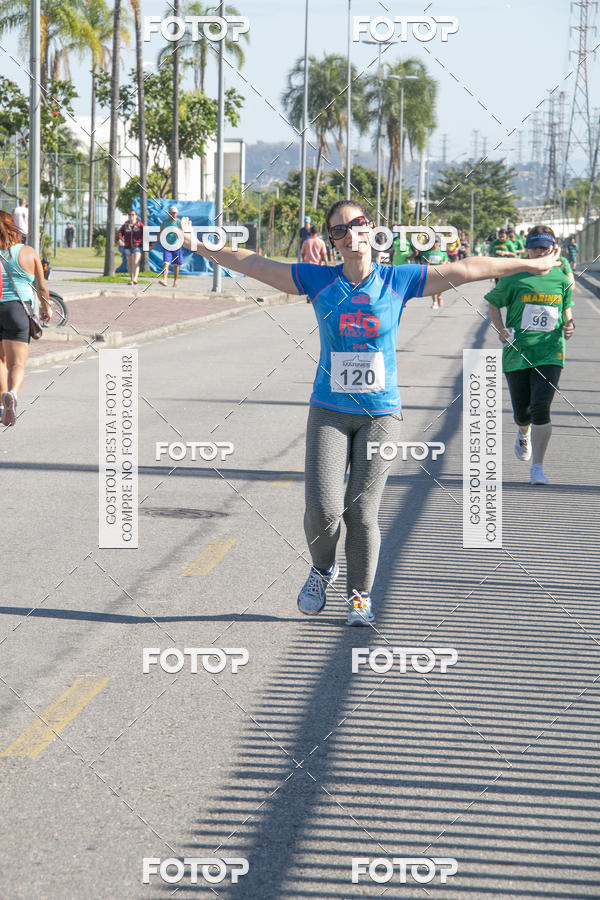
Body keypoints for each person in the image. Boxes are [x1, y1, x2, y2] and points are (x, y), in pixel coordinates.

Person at [180, 201, 561, 626]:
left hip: (381, 415)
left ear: (372, 229)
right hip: (329, 410)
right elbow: (254, 263)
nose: (349, 234)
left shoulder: (397, 280)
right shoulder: (319, 280)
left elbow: (469, 268)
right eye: (338, 230)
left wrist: (530, 264)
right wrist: (199, 246)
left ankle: (359, 596)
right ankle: (322, 568)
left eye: (357, 224)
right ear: (333, 241)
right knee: (323, 511)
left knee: (361, 513)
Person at [486, 225, 574, 486]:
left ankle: (538, 467)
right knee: (522, 413)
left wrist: (570, 324)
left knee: (540, 407)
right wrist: (501, 329)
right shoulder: (514, 277)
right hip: (518, 353)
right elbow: (493, 303)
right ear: (527, 249)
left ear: (553, 248)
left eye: (544, 247)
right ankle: (523, 432)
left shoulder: (561, 277)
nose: (539, 252)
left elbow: (566, 308)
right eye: (535, 248)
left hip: (550, 352)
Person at [0, 211, 51, 426]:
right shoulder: (28, 253)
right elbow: (42, 287)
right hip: (18, 311)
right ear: (13, 228)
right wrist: (45, 308)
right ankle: (12, 394)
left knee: (0, 360)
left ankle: (1, 406)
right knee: (18, 363)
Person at [419, 238, 448, 308]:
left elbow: (446, 259)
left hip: (441, 270)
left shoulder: (442, 251)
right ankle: (435, 302)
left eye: (436, 242)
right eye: (433, 242)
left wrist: (444, 263)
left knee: (441, 287)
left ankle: (439, 296)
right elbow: (422, 262)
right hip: (431, 271)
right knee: (433, 287)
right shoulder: (427, 252)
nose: (435, 244)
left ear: (439, 243)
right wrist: (427, 263)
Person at [159, 205, 183, 287]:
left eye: (174, 213)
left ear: (177, 214)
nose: (173, 215)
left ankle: (175, 281)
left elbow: (182, 233)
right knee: (166, 263)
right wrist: (155, 242)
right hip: (167, 246)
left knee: (176, 265)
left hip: (177, 246)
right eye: (171, 213)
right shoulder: (165, 222)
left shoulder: (179, 222)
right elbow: (161, 233)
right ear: (169, 214)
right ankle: (165, 280)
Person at [118, 210, 144, 285]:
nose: (131, 216)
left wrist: (145, 242)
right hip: (127, 246)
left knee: (136, 262)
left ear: (136, 216)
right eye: (129, 214)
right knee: (130, 263)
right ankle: (132, 279)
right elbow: (120, 232)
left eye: (132, 214)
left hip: (137, 246)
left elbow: (145, 232)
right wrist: (120, 239)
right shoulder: (126, 225)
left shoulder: (140, 225)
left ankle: (135, 279)